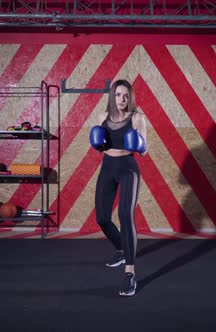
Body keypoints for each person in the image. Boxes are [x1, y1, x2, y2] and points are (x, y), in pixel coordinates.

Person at [89, 79, 148, 297]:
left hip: (128, 168)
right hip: (108, 167)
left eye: (126, 96)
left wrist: (139, 144)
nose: (122, 99)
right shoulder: (102, 117)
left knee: (125, 215)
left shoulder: (138, 118)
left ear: (130, 97)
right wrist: (98, 145)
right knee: (102, 218)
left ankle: (130, 273)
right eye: (118, 95)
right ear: (112, 96)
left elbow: (144, 151)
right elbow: (101, 146)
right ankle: (122, 249)